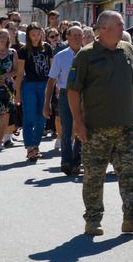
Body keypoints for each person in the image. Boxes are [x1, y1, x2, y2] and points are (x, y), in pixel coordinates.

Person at [67, 11, 133, 235]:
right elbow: (73, 91)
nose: (124, 28)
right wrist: (78, 122)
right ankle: (93, 220)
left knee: (131, 173)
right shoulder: (86, 55)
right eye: (120, 25)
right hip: (96, 128)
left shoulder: (128, 49)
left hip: (126, 125)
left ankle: (132, 219)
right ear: (104, 29)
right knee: (94, 176)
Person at [45, 25, 85, 176]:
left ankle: (77, 161)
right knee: (66, 129)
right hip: (65, 93)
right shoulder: (60, 56)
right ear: (67, 37)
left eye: (79, 35)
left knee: (81, 128)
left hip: (83, 94)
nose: (77, 38)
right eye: (74, 35)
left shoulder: (88, 55)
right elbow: (51, 81)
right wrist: (47, 103)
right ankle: (66, 161)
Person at [16, 23, 54, 162]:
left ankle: (36, 145)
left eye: (38, 34)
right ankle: (30, 147)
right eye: (33, 34)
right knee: (29, 117)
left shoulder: (47, 48)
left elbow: (53, 68)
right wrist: (17, 92)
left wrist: (54, 88)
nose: (36, 37)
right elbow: (20, 72)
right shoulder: (24, 50)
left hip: (44, 85)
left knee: (42, 117)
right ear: (28, 35)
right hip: (29, 85)